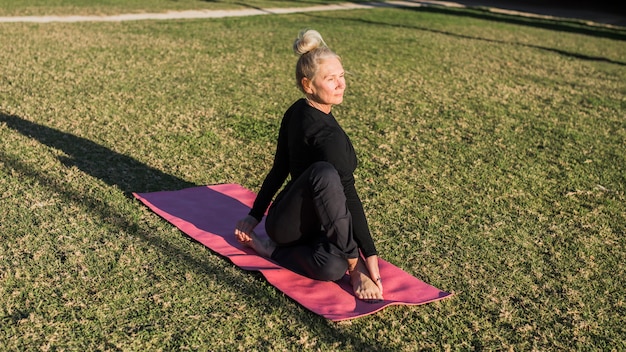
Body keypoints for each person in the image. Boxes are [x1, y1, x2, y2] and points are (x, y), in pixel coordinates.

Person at [234, 29, 383, 302]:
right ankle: (351, 263)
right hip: (287, 223)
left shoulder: (313, 114)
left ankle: (270, 251)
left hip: (321, 223)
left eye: (342, 76)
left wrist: (369, 251)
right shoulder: (305, 121)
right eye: (330, 79)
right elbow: (280, 168)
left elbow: (345, 195)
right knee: (324, 173)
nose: (341, 85)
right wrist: (361, 260)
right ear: (308, 85)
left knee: (330, 267)